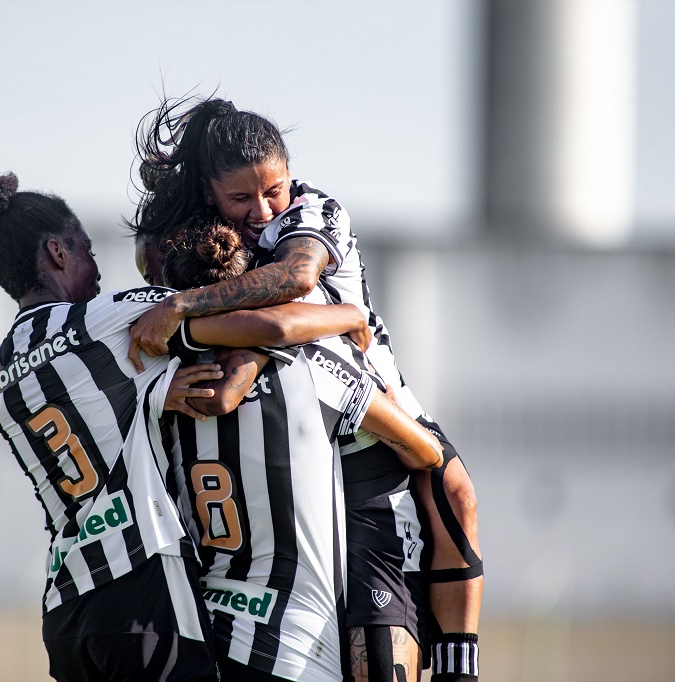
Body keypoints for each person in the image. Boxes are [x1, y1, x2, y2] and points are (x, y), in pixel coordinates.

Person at [0, 171, 379, 681]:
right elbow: (264, 323)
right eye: (86, 249)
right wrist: (345, 314)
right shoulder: (103, 319)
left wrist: (158, 394)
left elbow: (94, 414)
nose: (97, 268)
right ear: (57, 252)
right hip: (139, 589)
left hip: (65, 606)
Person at [128, 96, 482, 682]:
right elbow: (157, 266)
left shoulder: (314, 211)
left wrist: (183, 309)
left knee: (454, 490)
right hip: (295, 449)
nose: (263, 210)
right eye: (242, 199)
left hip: (368, 422)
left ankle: (460, 664)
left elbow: (293, 285)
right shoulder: (204, 233)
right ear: (210, 193)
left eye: (275, 190)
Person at [157, 217, 445, 681]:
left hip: (204, 636)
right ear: (250, 288)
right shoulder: (310, 363)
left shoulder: (157, 383)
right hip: (296, 647)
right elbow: (426, 453)